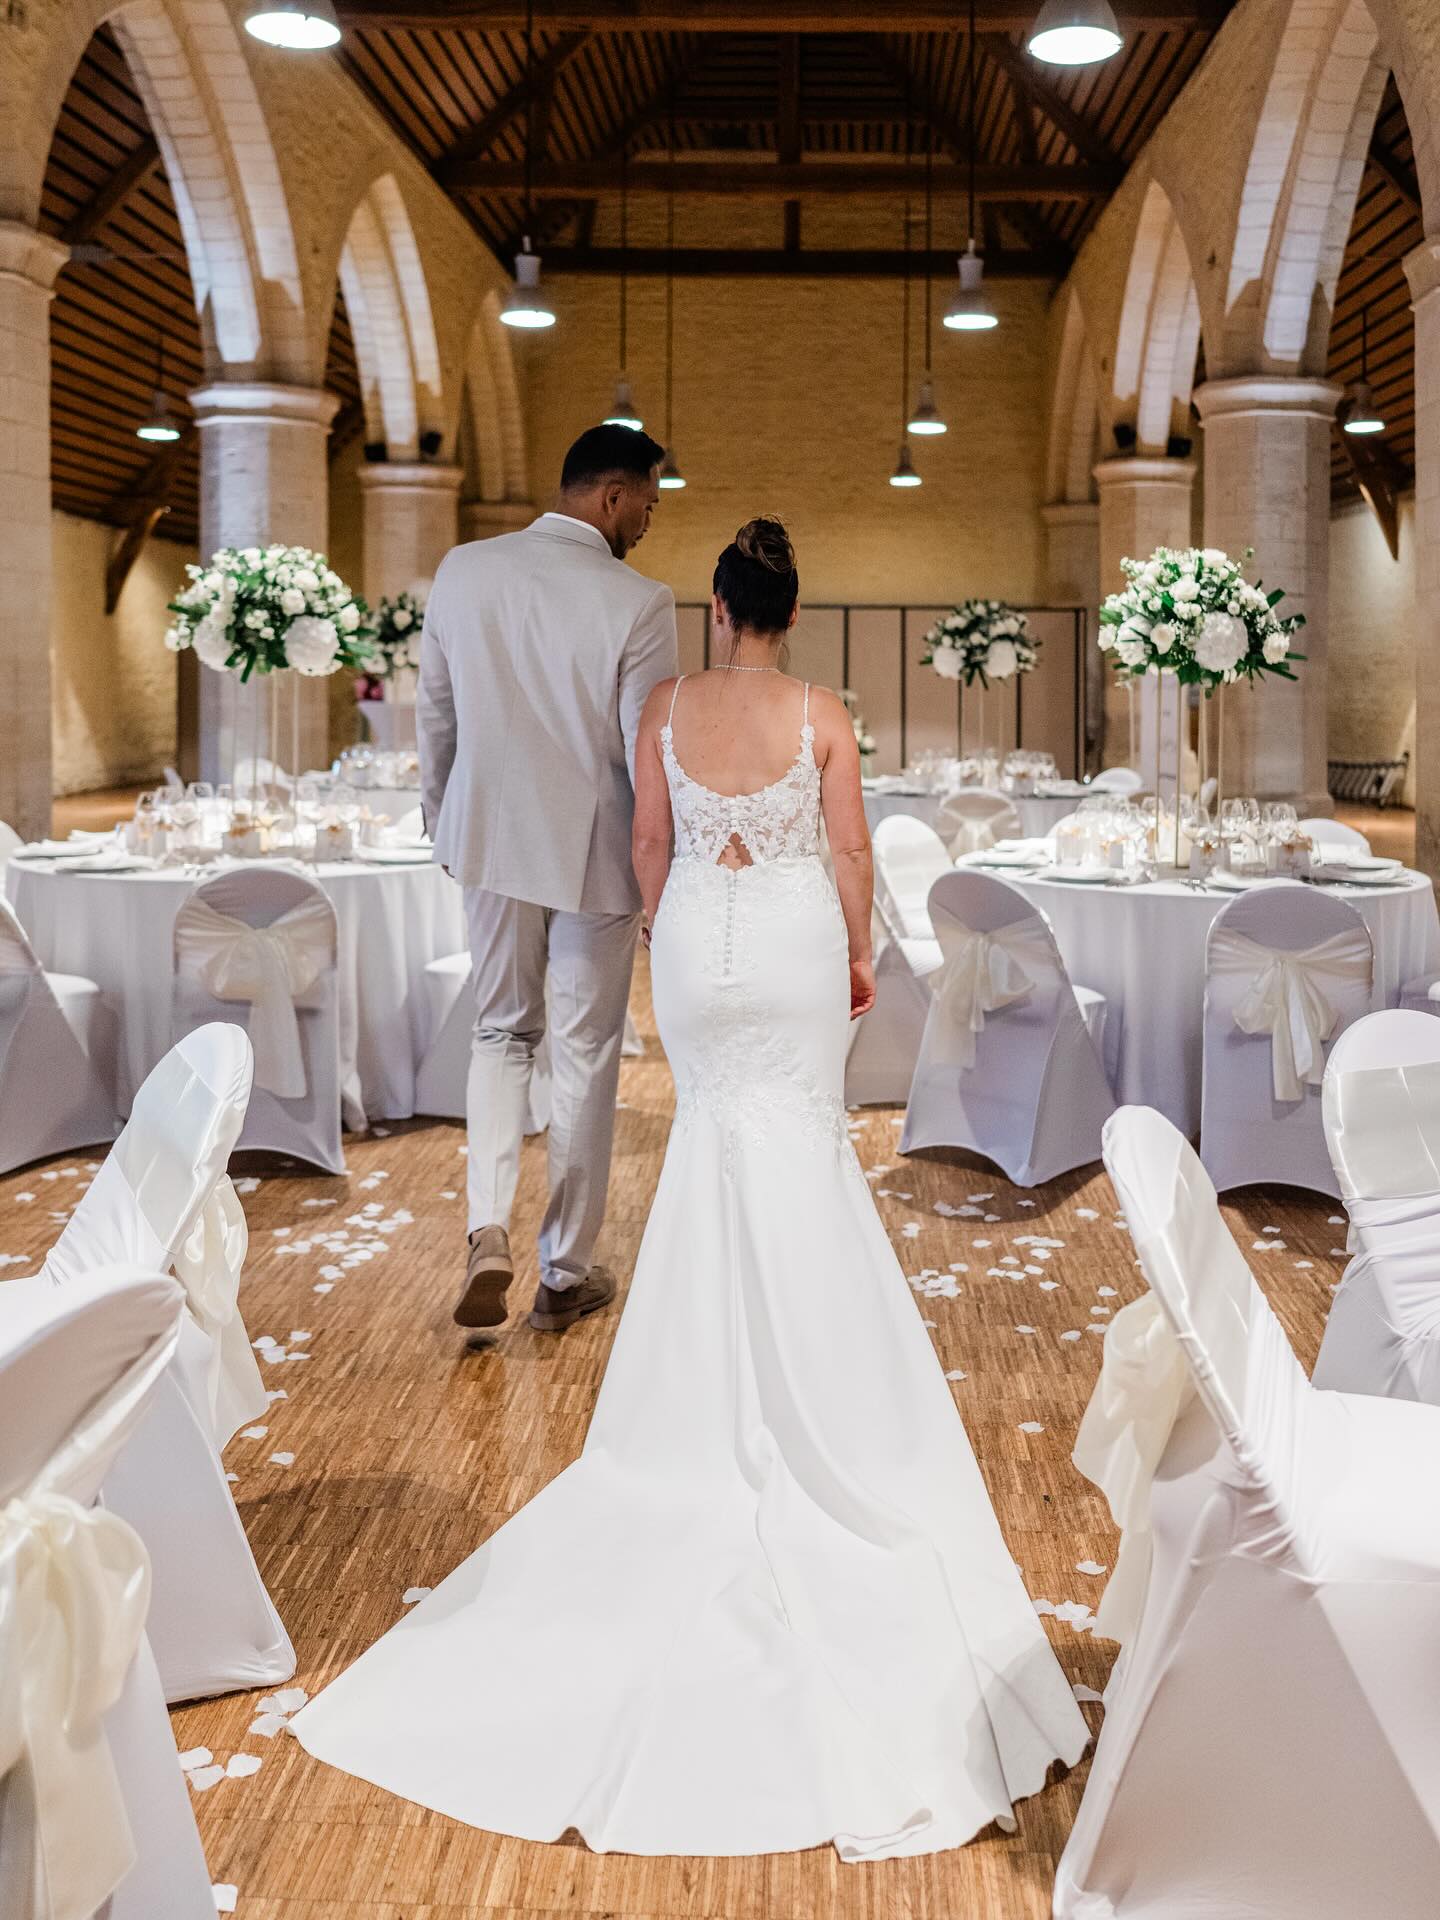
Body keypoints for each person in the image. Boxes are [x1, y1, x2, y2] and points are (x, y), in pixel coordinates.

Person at [294, 518, 1088, 1858]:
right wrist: (847, 963)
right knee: (801, 1151)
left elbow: (650, 846)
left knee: (719, 1136)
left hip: (703, 958)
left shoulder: (665, 702)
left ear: (719, 605)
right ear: (789, 607)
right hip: (785, 939)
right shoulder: (823, 710)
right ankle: (819, 1394)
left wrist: (669, 934)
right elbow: (846, 859)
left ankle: (697, 1411)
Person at [416, 423, 678, 1334]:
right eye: (648, 500)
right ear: (611, 497)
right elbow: (648, 753)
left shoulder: (462, 570)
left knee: (498, 1032)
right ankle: (565, 1270)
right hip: (593, 850)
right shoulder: (640, 601)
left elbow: (436, 716)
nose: (649, 519)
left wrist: (440, 821)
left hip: (485, 836)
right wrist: (664, 875)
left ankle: (486, 1226)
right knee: (584, 1052)